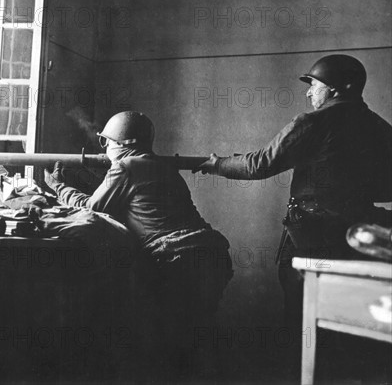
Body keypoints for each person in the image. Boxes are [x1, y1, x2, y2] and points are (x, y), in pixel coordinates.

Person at [196, 54, 392, 378]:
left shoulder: (315, 123)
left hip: (312, 240)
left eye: (313, 85)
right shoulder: (380, 128)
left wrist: (218, 163)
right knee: (354, 326)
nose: (308, 93)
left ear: (332, 89)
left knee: (304, 325)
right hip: (360, 238)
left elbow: (260, 164)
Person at [44, 110, 233, 380]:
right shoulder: (163, 168)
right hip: (210, 256)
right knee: (196, 339)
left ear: (123, 144)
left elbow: (93, 208)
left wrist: (59, 187)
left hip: (176, 262)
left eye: (106, 142)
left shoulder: (126, 166)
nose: (105, 148)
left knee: (159, 346)